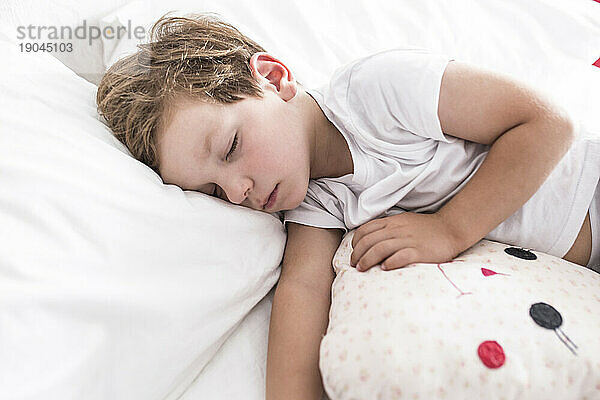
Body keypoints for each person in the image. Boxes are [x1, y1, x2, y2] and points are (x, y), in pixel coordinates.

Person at [96, 12, 599, 400]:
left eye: (230, 149)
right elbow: (304, 289)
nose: (236, 191)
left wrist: (450, 229)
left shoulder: (378, 92)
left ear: (272, 78)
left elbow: (546, 123)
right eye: (211, 191)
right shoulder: (315, 199)